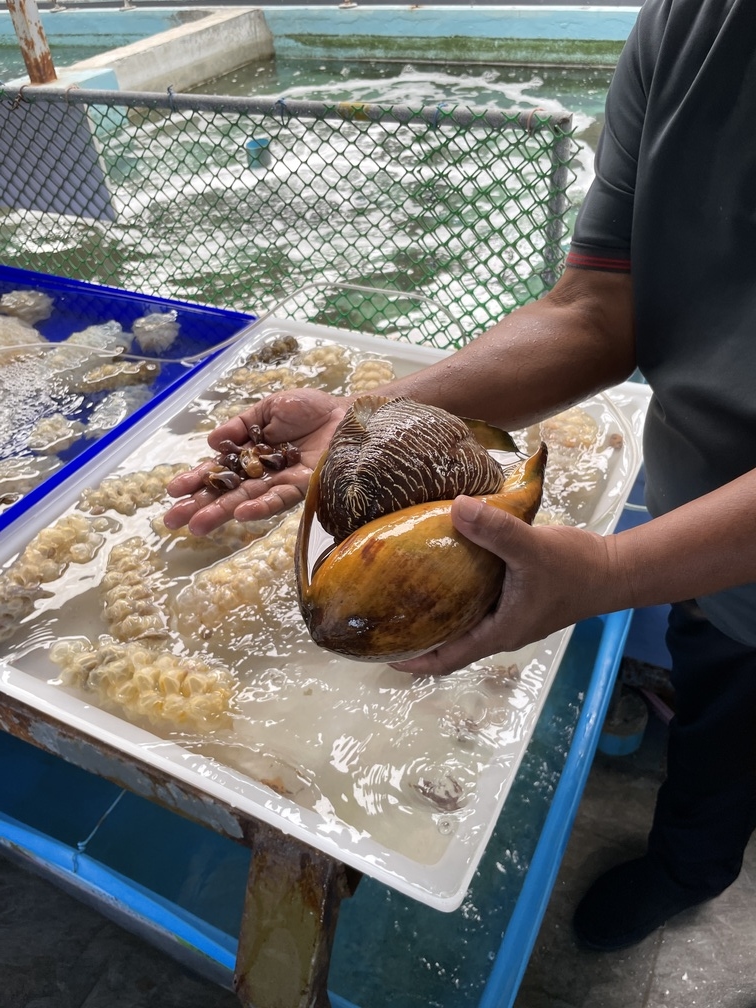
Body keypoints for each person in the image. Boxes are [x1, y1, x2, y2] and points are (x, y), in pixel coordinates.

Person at [165, 0, 756, 953]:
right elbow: (600, 307)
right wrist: (379, 422)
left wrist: (611, 575)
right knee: (720, 720)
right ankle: (689, 866)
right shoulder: (688, 25)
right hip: (705, 550)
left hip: (671, 552)